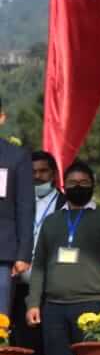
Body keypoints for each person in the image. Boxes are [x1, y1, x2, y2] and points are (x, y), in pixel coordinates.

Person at [24, 161, 100, 355]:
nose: (78, 187)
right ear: (64, 185)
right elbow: (39, 265)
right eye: (72, 183)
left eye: (83, 182)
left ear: (92, 185)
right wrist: (33, 303)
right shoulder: (51, 222)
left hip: (93, 306)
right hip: (53, 309)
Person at [13, 150, 62, 355]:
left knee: (49, 345)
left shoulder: (64, 203)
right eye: (32, 172)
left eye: (43, 171)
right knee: (21, 344)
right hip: (18, 284)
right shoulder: (14, 203)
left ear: (53, 174)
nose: (38, 176)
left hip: (49, 286)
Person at [0, 103, 34, 321]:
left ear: (2, 118)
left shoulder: (17, 157)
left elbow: (25, 206)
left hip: (3, 253)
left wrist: (23, 253)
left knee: (0, 319)